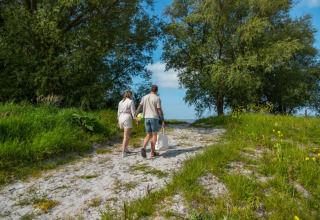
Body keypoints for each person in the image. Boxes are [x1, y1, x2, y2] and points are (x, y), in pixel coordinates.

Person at [135, 85, 165, 158]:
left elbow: (139, 107)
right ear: (157, 90)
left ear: (151, 90)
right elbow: (159, 110)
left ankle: (143, 147)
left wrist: (135, 115)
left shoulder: (144, 97)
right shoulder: (157, 98)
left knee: (148, 135)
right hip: (154, 117)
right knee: (154, 135)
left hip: (146, 117)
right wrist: (163, 120)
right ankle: (152, 152)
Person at [117, 91, 136, 158]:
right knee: (126, 136)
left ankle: (126, 148)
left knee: (127, 135)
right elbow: (133, 113)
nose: (132, 96)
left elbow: (118, 112)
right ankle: (123, 151)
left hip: (120, 118)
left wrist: (118, 121)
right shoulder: (131, 102)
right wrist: (136, 119)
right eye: (132, 95)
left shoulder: (120, 102)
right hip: (127, 117)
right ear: (130, 95)